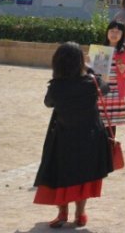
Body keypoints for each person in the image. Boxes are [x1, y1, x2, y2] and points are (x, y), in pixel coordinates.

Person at [33, 41, 112, 229]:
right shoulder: (92, 82)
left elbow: (48, 103)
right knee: (84, 177)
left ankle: (62, 214)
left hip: (63, 137)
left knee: (61, 175)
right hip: (90, 137)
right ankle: (80, 214)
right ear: (80, 61)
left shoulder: (56, 86)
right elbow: (106, 88)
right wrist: (91, 70)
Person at [98, 22, 125, 134]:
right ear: (107, 32)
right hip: (101, 92)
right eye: (112, 31)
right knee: (98, 122)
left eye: (118, 32)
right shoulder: (101, 50)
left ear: (122, 34)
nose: (114, 34)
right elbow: (96, 74)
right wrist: (89, 64)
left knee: (111, 125)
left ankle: (110, 147)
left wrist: (124, 71)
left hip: (116, 93)